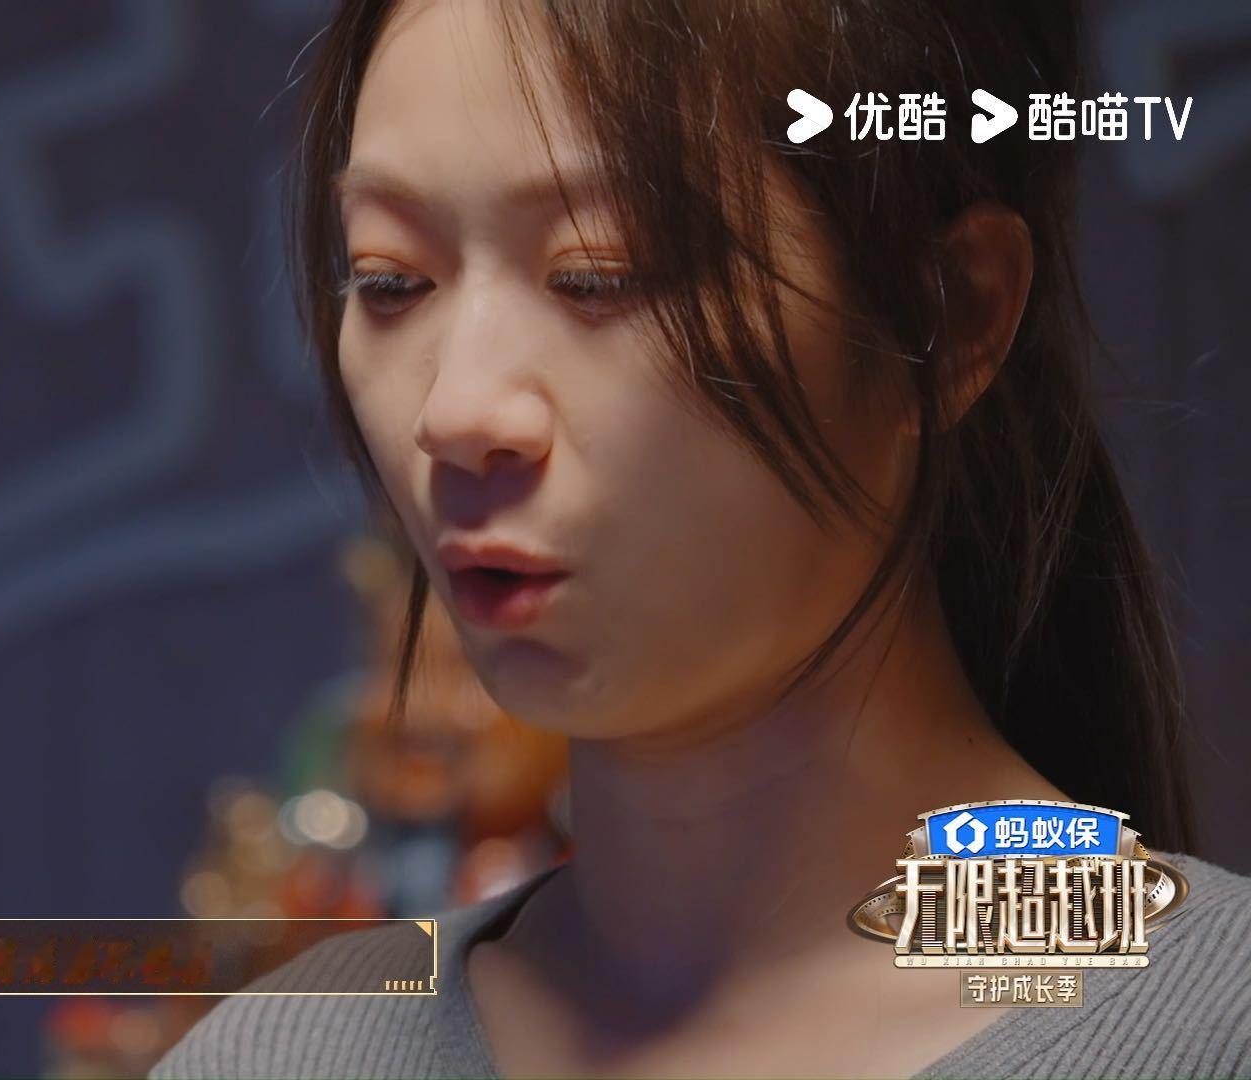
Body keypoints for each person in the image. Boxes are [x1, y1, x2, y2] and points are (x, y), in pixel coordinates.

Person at [152, 0, 1251, 1076]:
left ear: (947, 314)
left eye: (598, 276)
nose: (456, 410)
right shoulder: (275, 1057)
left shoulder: (1209, 1030)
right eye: (393, 282)